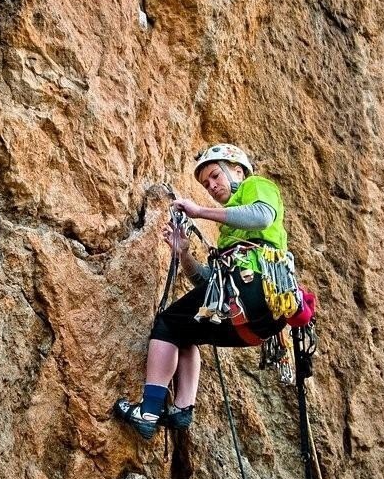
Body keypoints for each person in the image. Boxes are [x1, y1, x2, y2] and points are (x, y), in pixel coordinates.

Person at [114, 143, 295, 439]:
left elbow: (262, 215)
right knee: (186, 332)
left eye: (215, 176)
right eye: (206, 183)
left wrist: (199, 211)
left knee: (167, 323)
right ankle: (182, 410)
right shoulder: (232, 234)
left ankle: (148, 411)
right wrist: (183, 253)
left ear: (236, 170)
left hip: (255, 291)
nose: (211, 186)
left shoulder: (256, 185)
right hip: (255, 319)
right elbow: (208, 284)